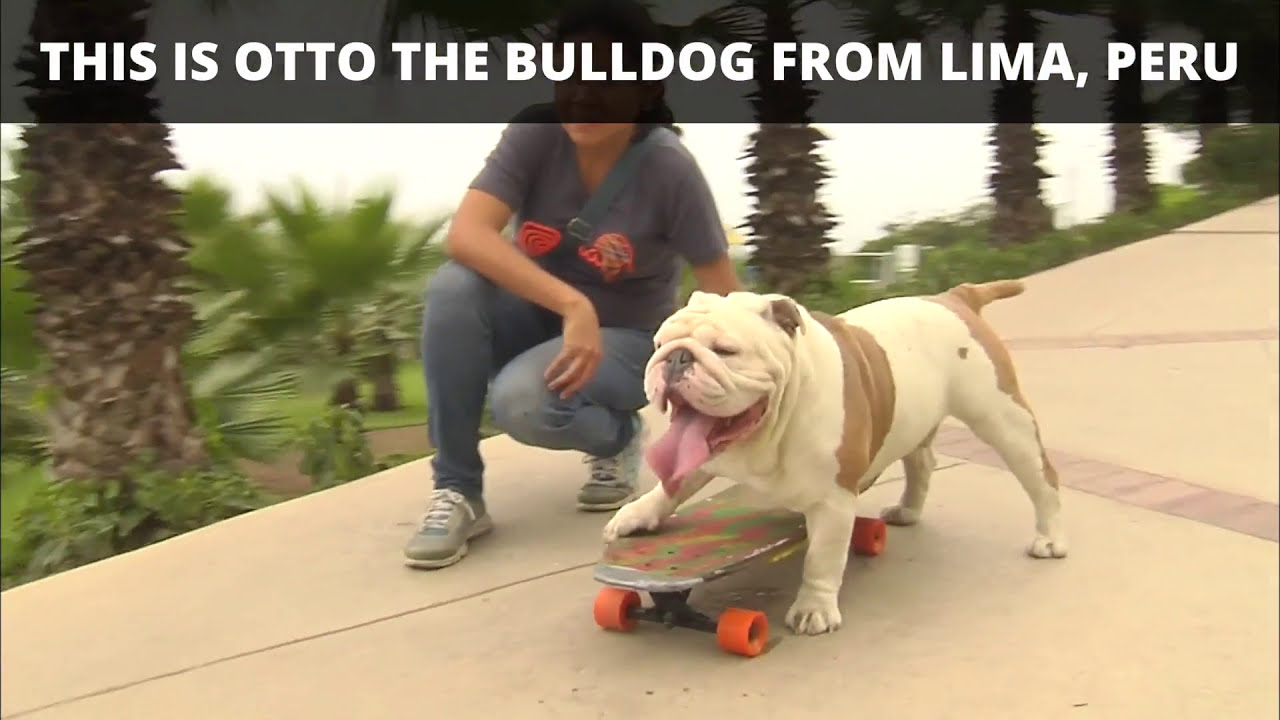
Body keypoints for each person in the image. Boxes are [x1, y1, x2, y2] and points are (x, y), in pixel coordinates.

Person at [403, 0, 742, 569]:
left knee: (523, 402)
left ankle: (615, 438)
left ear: (645, 89)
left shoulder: (669, 170)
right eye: (568, 72)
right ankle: (458, 490)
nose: (582, 96)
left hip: (629, 339)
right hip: (546, 316)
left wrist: (732, 397)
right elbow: (466, 235)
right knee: (453, 289)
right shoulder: (537, 134)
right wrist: (571, 303)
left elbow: (724, 293)